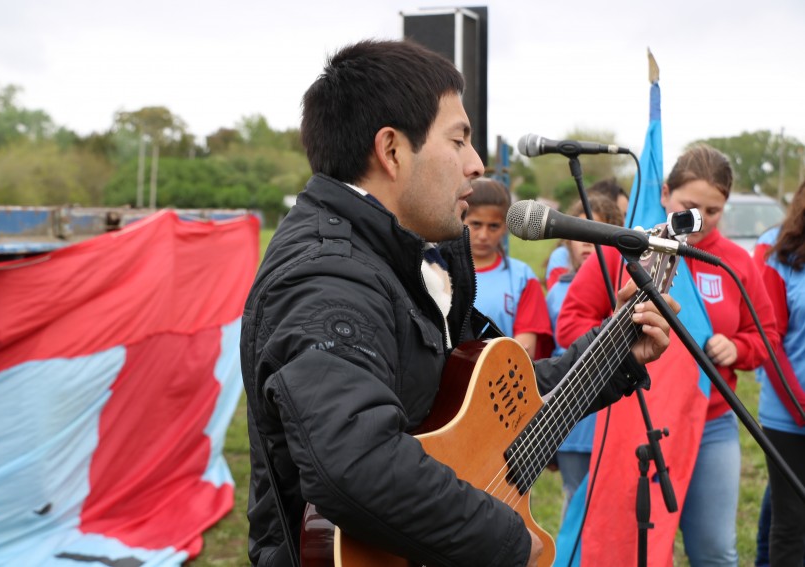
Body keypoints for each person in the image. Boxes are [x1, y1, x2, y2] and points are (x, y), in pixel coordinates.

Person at [240, 39, 677, 567]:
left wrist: (617, 353)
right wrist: (510, 543)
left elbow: (486, 412)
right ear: (392, 149)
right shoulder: (328, 279)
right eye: (459, 140)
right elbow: (356, 465)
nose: (476, 165)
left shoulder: (414, 257)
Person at [556, 144, 778, 566]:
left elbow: (764, 334)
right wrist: (616, 339)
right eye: (690, 206)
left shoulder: (733, 262)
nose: (701, 220)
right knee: (630, 547)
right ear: (664, 193)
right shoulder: (621, 246)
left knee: (715, 550)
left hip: (711, 422)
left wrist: (739, 348)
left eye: (713, 211)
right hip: (633, 418)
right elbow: (571, 322)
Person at [546, 194, 624, 512]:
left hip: (612, 415)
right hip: (569, 420)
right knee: (575, 501)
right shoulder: (556, 291)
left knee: (611, 503)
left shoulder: (622, 287)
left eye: (600, 234)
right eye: (582, 233)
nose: (589, 243)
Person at [753, 179, 805, 565]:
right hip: (788, 421)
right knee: (792, 520)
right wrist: (802, 407)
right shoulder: (780, 261)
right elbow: (771, 345)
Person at [464, 177, 553, 359]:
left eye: (493, 226)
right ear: (461, 219)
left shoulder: (522, 278)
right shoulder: (438, 270)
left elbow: (523, 351)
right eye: (476, 224)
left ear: (506, 227)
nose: (483, 235)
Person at [545, 178, 629, 290]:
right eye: (580, 234)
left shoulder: (626, 275)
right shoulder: (562, 263)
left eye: (626, 215)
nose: (586, 242)